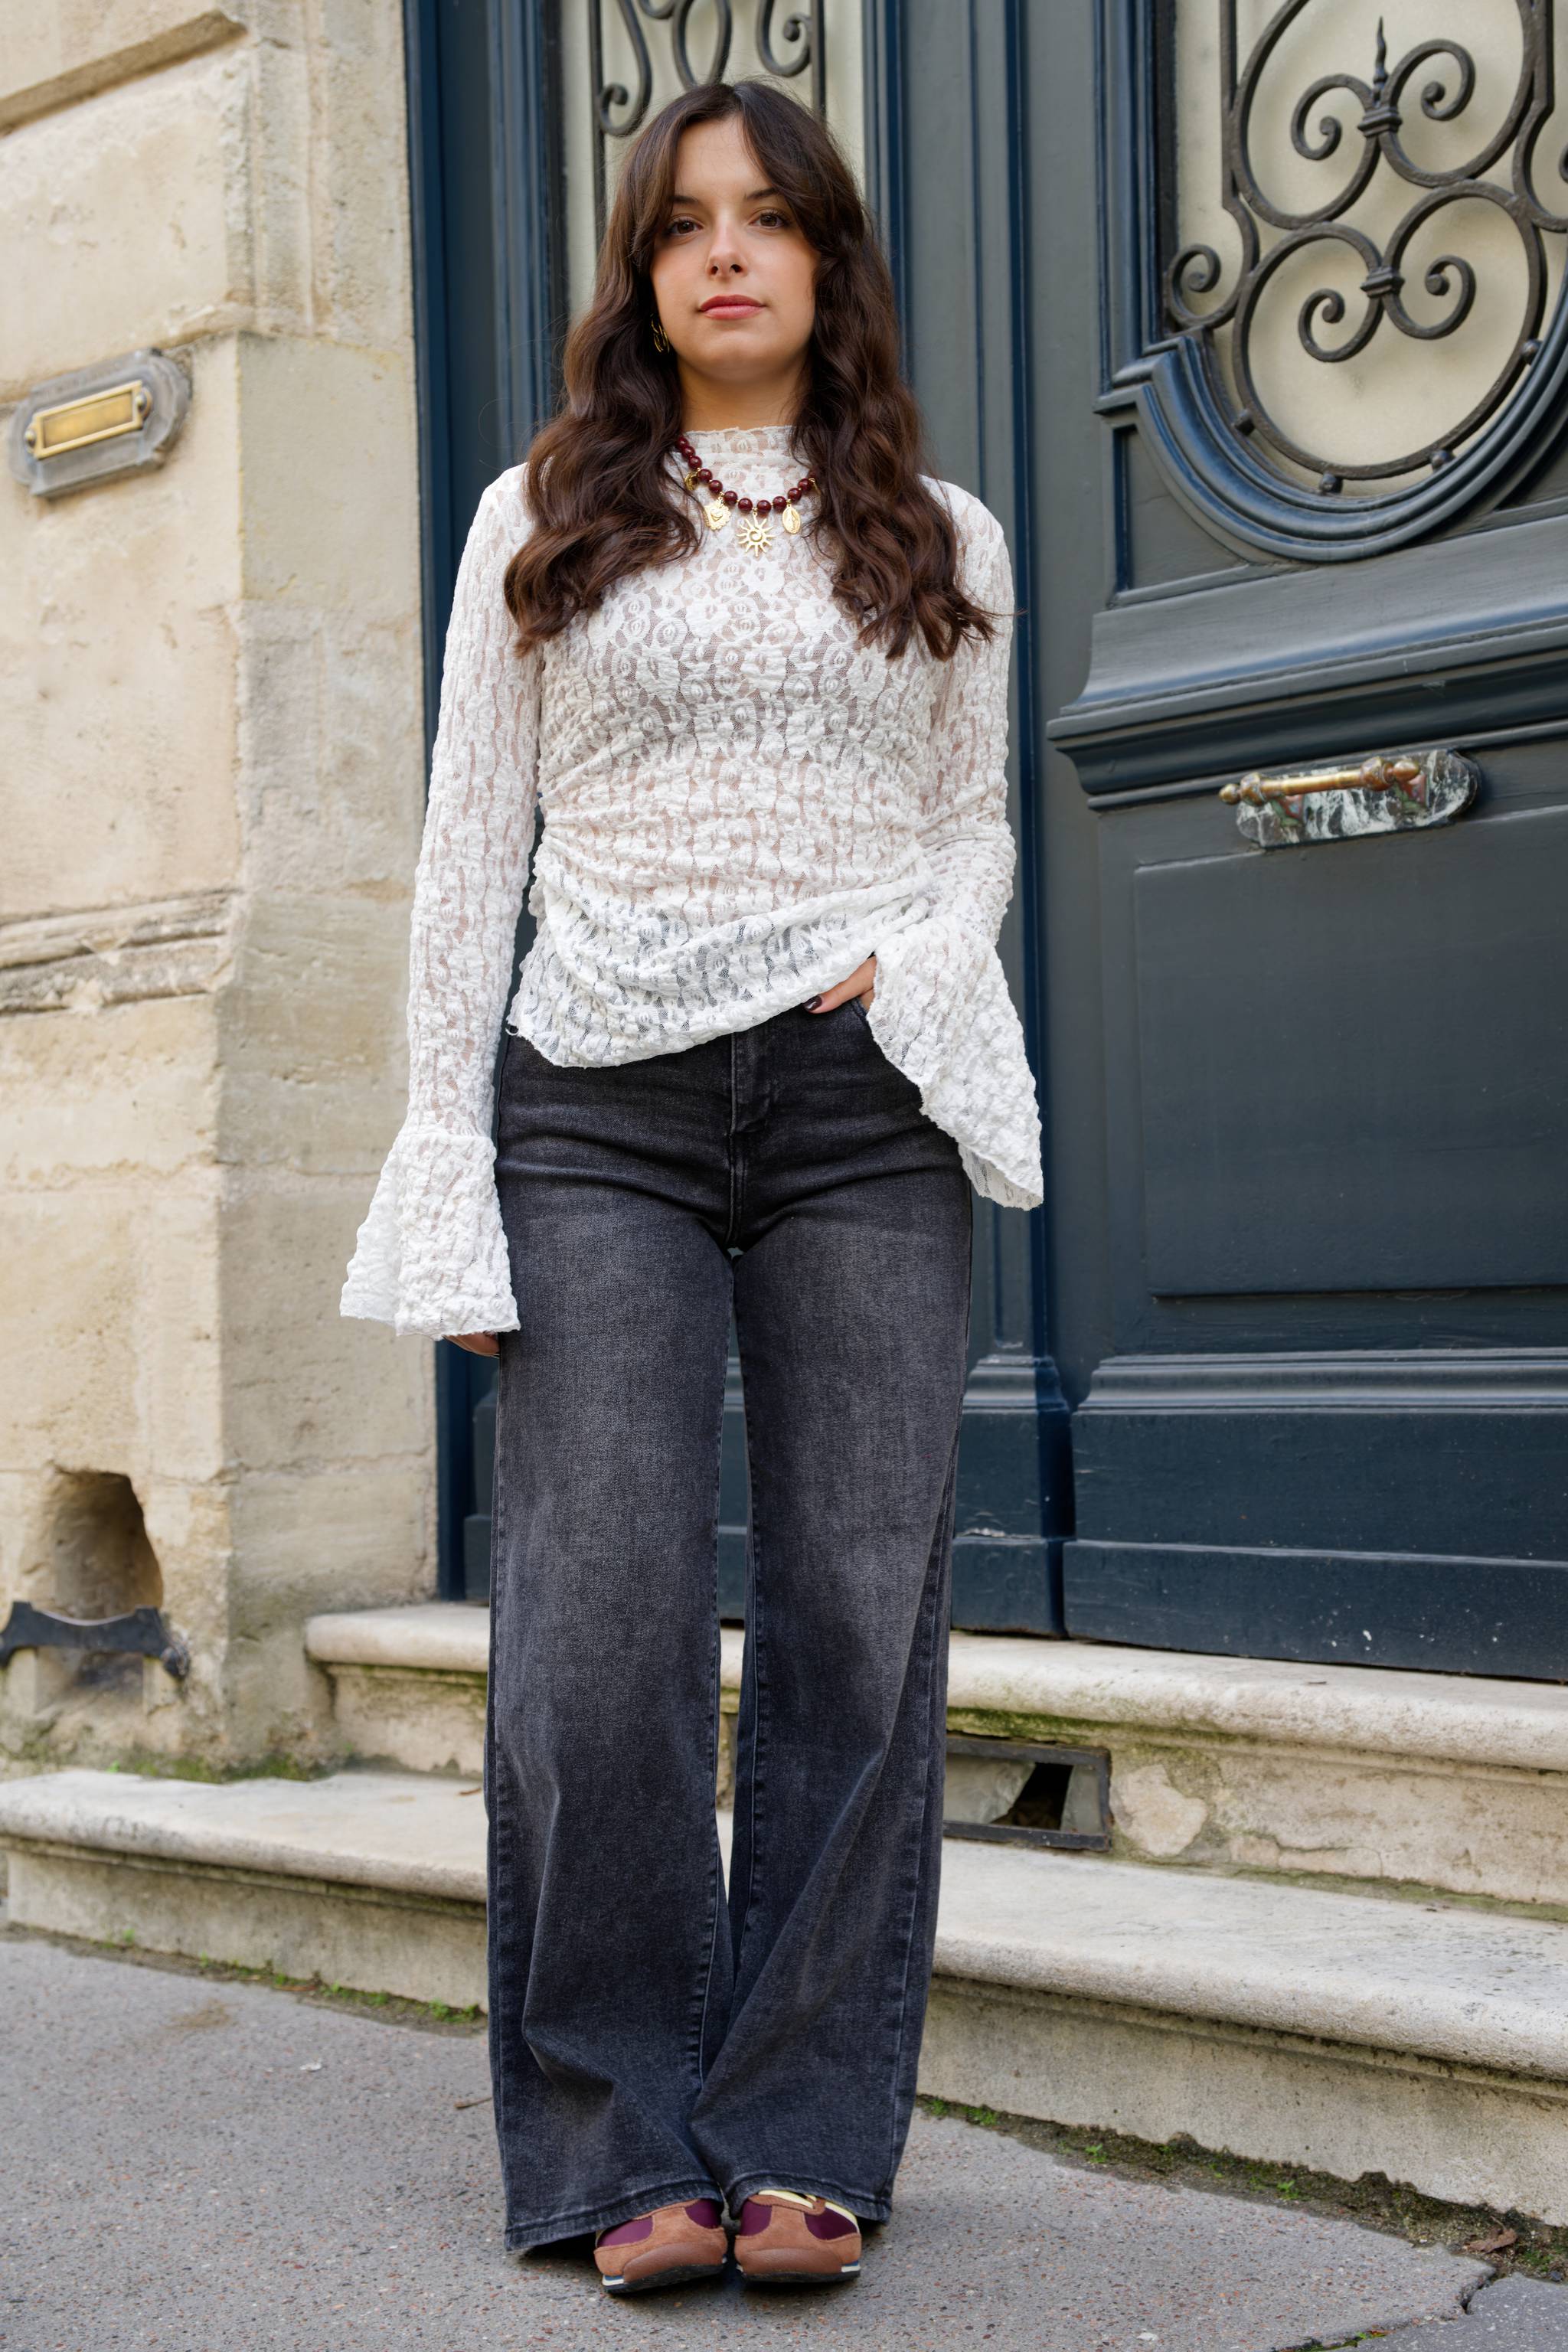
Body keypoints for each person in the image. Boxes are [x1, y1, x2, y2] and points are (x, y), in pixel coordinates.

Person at [341, 74, 1042, 2297]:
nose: (726, 252)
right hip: (596, 1110)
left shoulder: (945, 531)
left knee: (855, 1615)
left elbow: (976, 829)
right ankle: (613, 2139)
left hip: (863, 1107)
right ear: (641, 270)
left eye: (768, 218)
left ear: (828, 256)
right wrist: (444, 1155)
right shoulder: (541, 512)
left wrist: (911, 961)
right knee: (600, 1624)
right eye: (683, 224)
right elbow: (471, 860)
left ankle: (808, 2131)